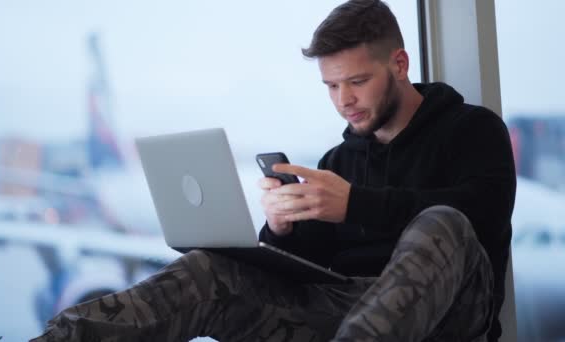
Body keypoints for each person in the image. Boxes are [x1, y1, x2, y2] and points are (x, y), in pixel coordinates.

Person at [31, 0, 516, 341]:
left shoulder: (472, 130)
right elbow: (307, 269)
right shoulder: (337, 162)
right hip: (346, 311)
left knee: (443, 222)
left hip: (452, 311)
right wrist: (280, 230)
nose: (343, 101)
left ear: (400, 64)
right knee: (208, 270)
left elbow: (484, 217)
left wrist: (354, 204)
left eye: (357, 82)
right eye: (330, 86)